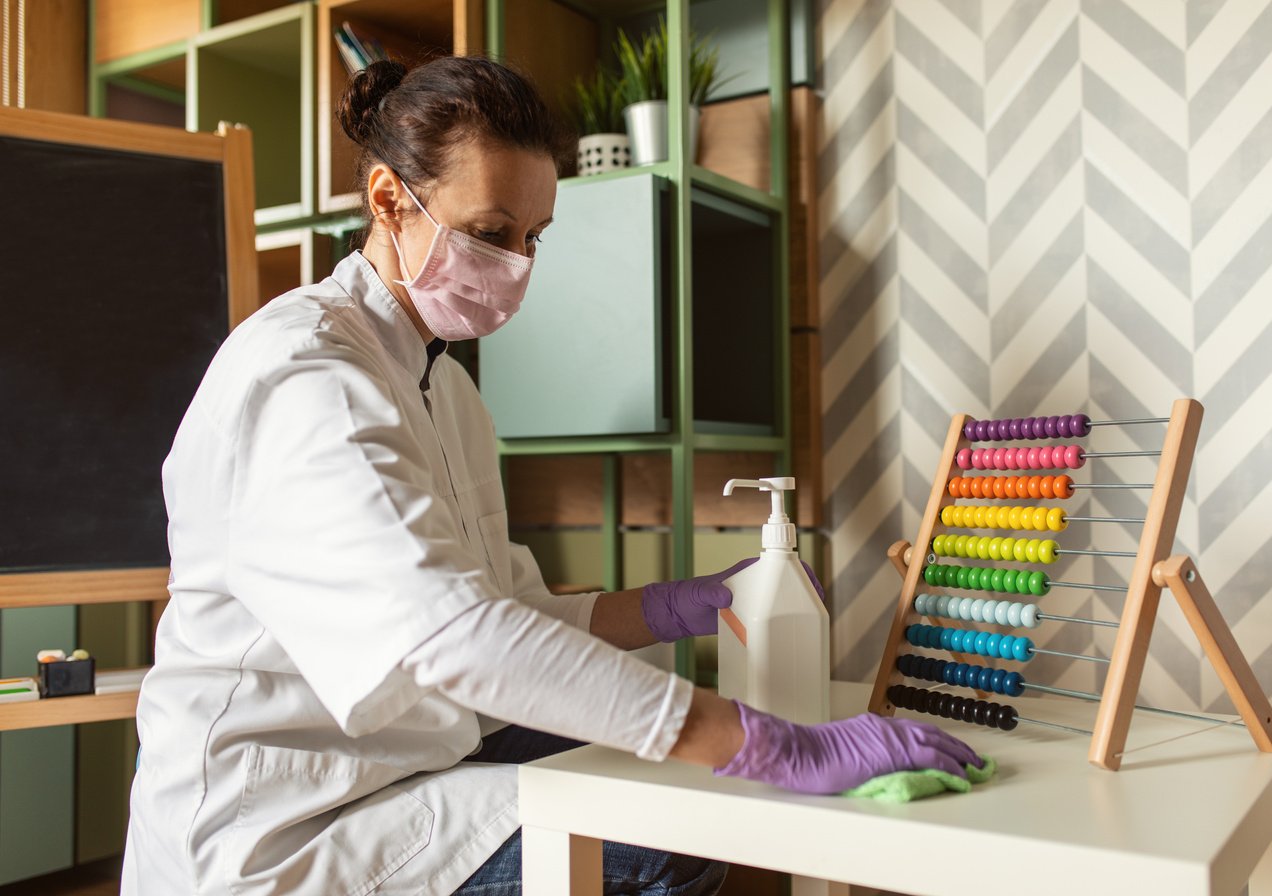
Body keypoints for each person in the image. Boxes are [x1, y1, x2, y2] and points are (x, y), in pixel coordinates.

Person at [122, 56, 981, 895]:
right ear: (390, 199)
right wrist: (775, 748)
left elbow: (511, 614)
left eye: (534, 237)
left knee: (682, 781)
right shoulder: (306, 377)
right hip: (290, 824)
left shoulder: (444, 387)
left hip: (404, 759)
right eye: (492, 233)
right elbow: (455, 638)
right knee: (674, 834)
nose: (517, 265)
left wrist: (667, 608)